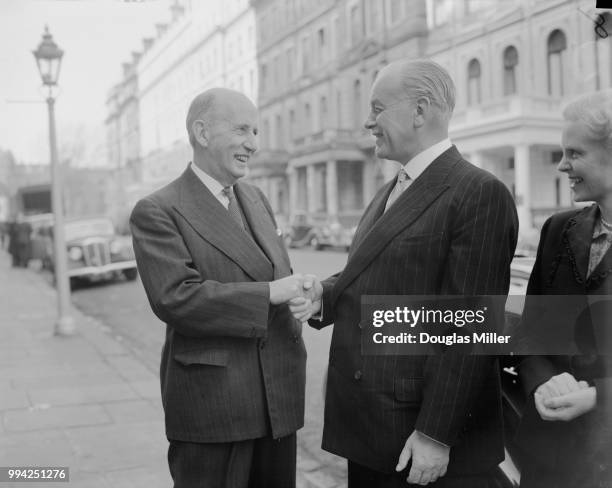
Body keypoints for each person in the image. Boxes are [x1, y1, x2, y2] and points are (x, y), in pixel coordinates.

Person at [290, 59, 519, 487]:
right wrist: (324, 293)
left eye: (378, 109)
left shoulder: (478, 192)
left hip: (419, 437)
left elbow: (470, 326)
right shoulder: (392, 188)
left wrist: (436, 433)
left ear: (420, 110)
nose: (368, 122)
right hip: (373, 428)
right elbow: (376, 270)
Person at [130, 88, 311, 488]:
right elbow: (177, 298)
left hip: (277, 402)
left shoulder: (256, 197)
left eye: (257, 131)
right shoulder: (158, 209)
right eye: (243, 130)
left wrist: (302, 290)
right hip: (215, 410)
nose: (254, 143)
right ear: (202, 132)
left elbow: (276, 272)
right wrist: (269, 293)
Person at [516, 90, 612, 488]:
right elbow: (532, 335)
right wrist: (542, 381)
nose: (561, 165)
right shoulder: (558, 230)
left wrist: (598, 398)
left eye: (575, 153)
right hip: (551, 459)